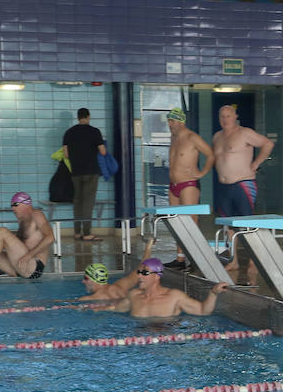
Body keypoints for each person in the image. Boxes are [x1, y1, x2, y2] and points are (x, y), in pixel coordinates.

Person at [211, 104, 274, 277]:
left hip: (243, 184)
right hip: (223, 186)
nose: (225, 120)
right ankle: (233, 261)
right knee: (228, 226)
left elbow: (268, 144)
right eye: (222, 116)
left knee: (247, 224)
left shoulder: (245, 133)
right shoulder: (217, 137)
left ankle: (254, 260)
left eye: (228, 116)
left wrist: (256, 163)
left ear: (235, 116)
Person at [162, 106, 215, 268]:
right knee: (176, 221)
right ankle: (180, 258)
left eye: (172, 121)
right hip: (173, 185)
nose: (169, 124)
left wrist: (201, 172)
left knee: (191, 221)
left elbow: (211, 154)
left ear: (180, 121)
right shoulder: (174, 138)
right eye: (168, 121)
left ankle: (196, 258)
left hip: (188, 185)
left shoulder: (192, 137)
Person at [90, 257, 230, 317]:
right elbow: (116, 308)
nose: (139, 276)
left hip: (165, 342)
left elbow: (203, 311)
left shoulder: (174, 296)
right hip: (138, 344)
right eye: (139, 272)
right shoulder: (134, 296)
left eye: (144, 273)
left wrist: (213, 293)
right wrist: (91, 308)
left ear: (157, 276)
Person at [62, 107, 107, 242]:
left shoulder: (69, 133)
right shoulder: (94, 132)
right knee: (88, 202)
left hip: (76, 172)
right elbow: (103, 152)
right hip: (91, 171)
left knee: (77, 202)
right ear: (88, 117)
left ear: (78, 117)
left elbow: (66, 154)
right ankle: (87, 233)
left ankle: (77, 232)